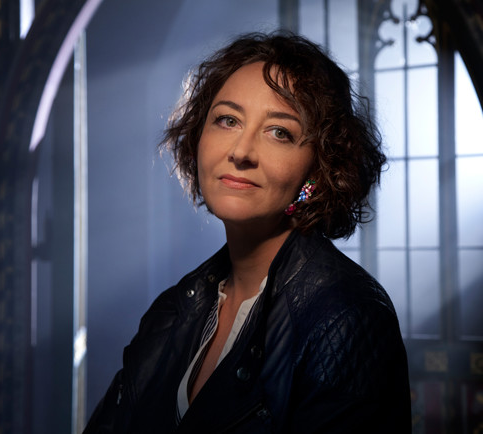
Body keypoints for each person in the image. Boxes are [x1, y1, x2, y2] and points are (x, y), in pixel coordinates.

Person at [84, 31, 411, 433]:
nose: (241, 152)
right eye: (227, 120)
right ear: (198, 137)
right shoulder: (172, 310)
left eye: (280, 132)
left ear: (320, 168)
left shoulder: (346, 317)